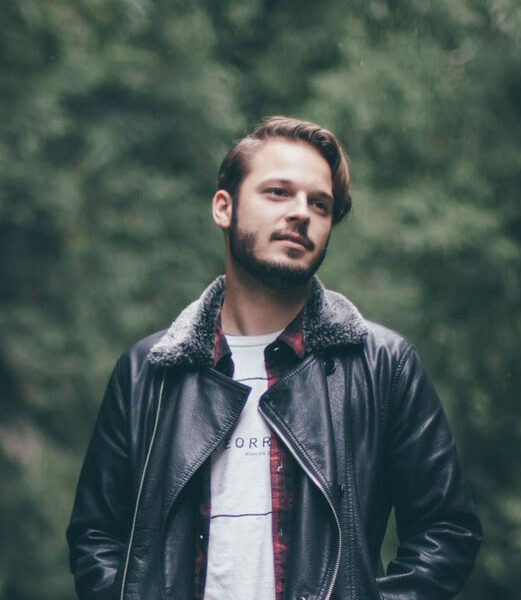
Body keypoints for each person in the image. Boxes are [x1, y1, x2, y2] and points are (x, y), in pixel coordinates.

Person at [67, 116, 482, 600]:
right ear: (224, 208)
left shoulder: (382, 365)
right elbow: (96, 537)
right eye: (278, 192)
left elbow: (446, 532)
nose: (301, 213)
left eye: (320, 204)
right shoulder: (149, 372)